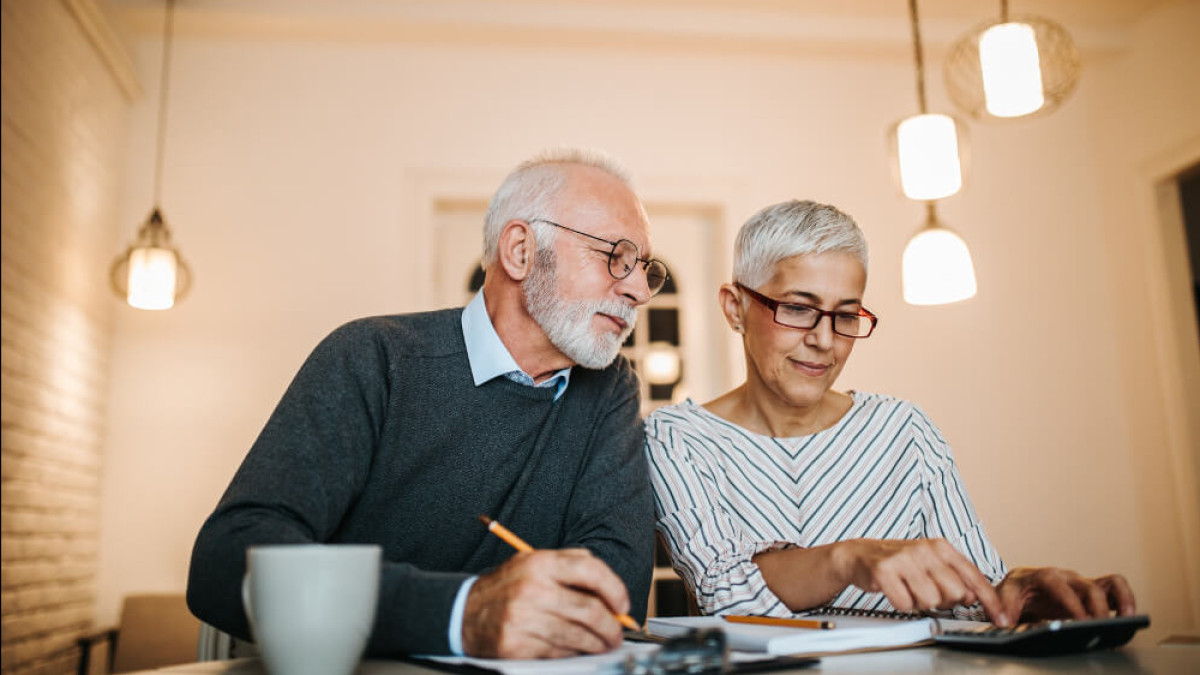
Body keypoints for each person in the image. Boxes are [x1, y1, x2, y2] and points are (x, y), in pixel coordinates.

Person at [188, 148, 671, 658]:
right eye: (616, 255)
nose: (639, 290)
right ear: (521, 251)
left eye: (644, 267)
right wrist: (462, 613)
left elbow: (612, 595)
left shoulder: (609, 388)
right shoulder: (375, 357)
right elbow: (225, 563)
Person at [645, 200, 1136, 627]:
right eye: (798, 308)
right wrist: (848, 558)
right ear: (735, 308)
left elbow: (974, 600)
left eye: (846, 315)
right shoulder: (676, 438)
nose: (823, 338)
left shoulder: (905, 430)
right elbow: (727, 595)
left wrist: (1021, 591)